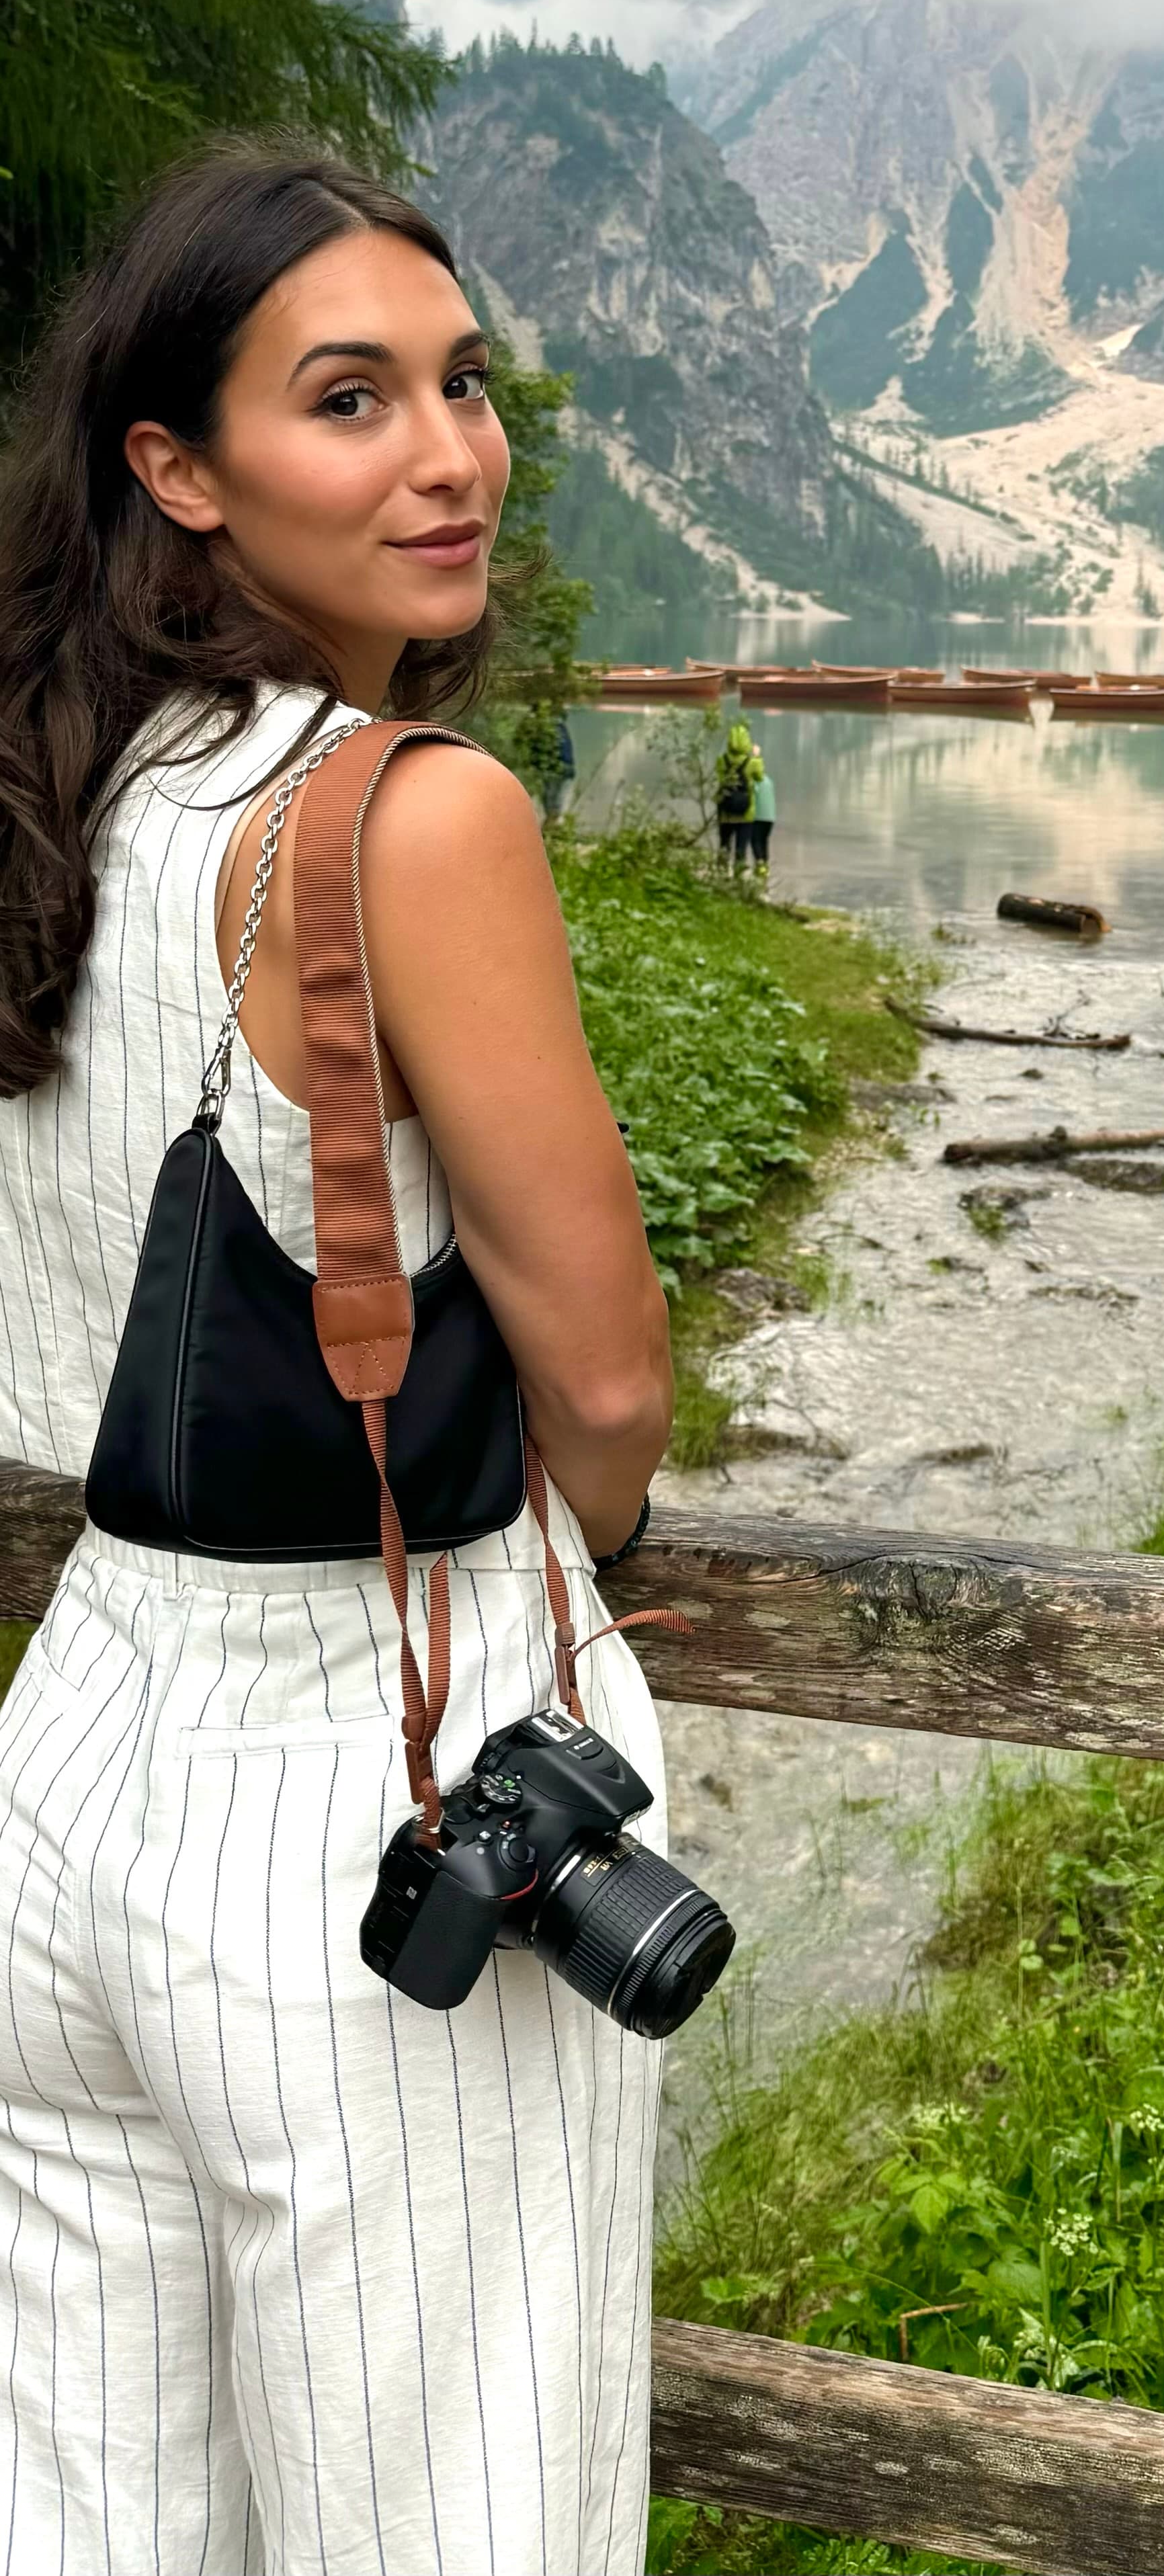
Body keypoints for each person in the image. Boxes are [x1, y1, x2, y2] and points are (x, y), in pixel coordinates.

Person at [0, 147, 677, 2573]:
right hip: (360, 1784)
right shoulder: (408, 814)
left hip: (69, 1754)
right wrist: (565, 1571)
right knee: (451, 2519)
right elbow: (600, 1377)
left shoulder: (68, 790)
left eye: (466, 384)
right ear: (177, 470)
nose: (449, 451)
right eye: (348, 397)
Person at [714, 712, 763, 864]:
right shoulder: (752, 762)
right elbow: (759, 777)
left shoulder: (722, 760)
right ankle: (738, 879)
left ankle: (720, 876)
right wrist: (756, 757)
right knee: (741, 849)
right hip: (746, 812)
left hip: (725, 811)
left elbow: (720, 777)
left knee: (724, 845)